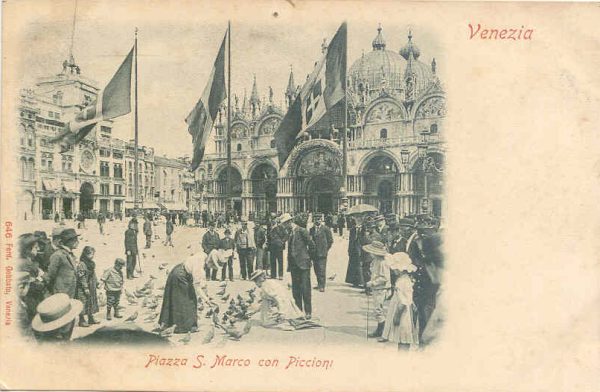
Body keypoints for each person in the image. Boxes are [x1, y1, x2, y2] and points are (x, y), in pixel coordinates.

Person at [159, 255, 212, 334]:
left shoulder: (202, 256)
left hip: (176, 270)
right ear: (210, 262)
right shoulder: (199, 268)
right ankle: (183, 327)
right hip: (180, 276)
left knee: (175, 299)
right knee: (187, 300)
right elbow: (197, 287)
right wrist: (206, 299)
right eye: (212, 266)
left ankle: (169, 322)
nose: (211, 268)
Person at [378, 252, 419, 350]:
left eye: (395, 269)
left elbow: (403, 302)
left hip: (402, 315)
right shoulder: (406, 279)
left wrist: (396, 316)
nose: (394, 271)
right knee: (403, 339)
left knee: (402, 338)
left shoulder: (401, 282)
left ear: (400, 269)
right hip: (406, 313)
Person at [287, 213, 316, 319]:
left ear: (290, 222)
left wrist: (309, 258)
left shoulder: (302, 230)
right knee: (296, 289)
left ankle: (308, 312)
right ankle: (299, 311)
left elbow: (311, 244)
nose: (284, 227)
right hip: (294, 265)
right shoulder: (291, 232)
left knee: (305, 289)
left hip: (303, 264)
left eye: (285, 224)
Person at [363, 241, 391, 338]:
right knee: (377, 309)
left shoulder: (382, 263)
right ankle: (381, 329)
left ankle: (381, 330)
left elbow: (384, 278)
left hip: (381, 288)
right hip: (377, 288)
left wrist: (372, 283)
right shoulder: (375, 261)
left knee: (378, 309)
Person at [17, 234, 46, 324]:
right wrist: (41, 281)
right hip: (30, 299)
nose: (38, 249)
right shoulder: (27, 264)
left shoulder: (24, 261)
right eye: (35, 247)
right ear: (27, 250)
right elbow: (36, 284)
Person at [44, 228, 80, 298]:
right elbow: (51, 275)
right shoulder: (58, 255)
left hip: (70, 292)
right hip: (61, 293)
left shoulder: (69, 254)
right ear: (68, 241)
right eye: (75, 240)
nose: (77, 242)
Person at [309, 214, 333, 292]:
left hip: (322, 253)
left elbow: (330, 240)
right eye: (315, 219)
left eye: (319, 219)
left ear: (321, 220)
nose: (317, 220)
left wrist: (325, 249)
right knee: (316, 269)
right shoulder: (311, 229)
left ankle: (322, 286)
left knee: (321, 269)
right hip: (314, 253)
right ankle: (319, 284)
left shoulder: (326, 229)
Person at [79, 246, 100, 325]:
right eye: (90, 254)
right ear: (85, 254)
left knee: (91, 302)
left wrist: (96, 282)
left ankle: (90, 317)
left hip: (91, 285)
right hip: (84, 287)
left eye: (93, 254)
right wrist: (85, 287)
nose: (92, 256)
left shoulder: (91, 263)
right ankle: (81, 320)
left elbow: (93, 274)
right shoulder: (82, 264)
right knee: (83, 302)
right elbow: (82, 277)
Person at [269, 213, 292, 279]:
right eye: (272, 219)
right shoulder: (271, 227)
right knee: (272, 261)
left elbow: (286, 235)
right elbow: (269, 236)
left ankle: (280, 275)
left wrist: (282, 242)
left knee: (280, 261)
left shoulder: (281, 227)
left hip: (279, 246)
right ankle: (273, 275)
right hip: (272, 246)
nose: (273, 220)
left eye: (274, 219)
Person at [345, 217, 364, 288]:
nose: (358, 221)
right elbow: (350, 240)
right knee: (353, 265)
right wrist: (349, 249)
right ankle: (354, 281)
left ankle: (361, 282)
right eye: (356, 220)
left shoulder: (364, 228)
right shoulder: (352, 229)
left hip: (361, 249)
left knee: (360, 265)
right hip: (353, 249)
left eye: (359, 220)